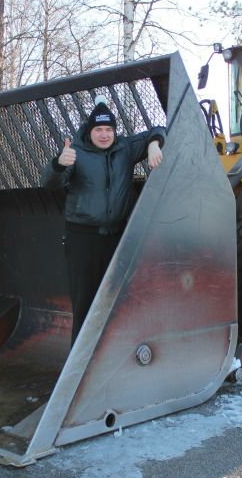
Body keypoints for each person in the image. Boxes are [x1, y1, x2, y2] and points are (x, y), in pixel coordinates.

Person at [40, 96, 166, 345]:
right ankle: (80, 363)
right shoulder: (74, 152)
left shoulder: (125, 148)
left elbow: (158, 129)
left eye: (109, 129)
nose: (105, 134)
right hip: (83, 239)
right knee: (85, 302)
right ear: (90, 131)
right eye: (99, 129)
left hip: (117, 237)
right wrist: (57, 163)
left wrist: (154, 144)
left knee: (118, 299)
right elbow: (49, 182)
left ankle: (111, 356)